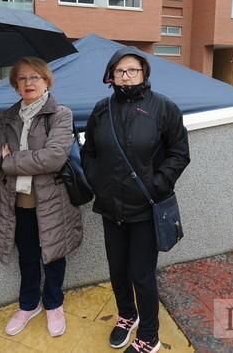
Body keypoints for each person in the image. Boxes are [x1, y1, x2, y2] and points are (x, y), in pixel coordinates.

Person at [81, 47, 190, 353]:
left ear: (144, 73)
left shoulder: (164, 108)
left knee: (141, 274)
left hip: (145, 207)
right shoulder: (102, 109)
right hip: (110, 205)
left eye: (133, 70)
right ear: (110, 76)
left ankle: (150, 336)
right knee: (117, 269)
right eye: (119, 71)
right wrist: (96, 182)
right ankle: (127, 315)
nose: (126, 76)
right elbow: (89, 150)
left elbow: (180, 153)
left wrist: (157, 184)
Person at [0, 57, 82, 339]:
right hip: (18, 202)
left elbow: (54, 157)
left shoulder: (60, 114)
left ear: (46, 80)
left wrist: (10, 162)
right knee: (27, 256)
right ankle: (28, 305)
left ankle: (54, 304)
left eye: (35, 77)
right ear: (15, 84)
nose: (28, 83)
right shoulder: (8, 116)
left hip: (52, 200)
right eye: (22, 78)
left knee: (53, 255)